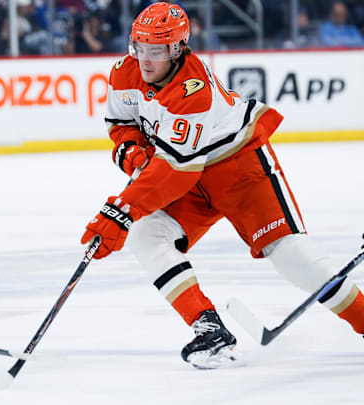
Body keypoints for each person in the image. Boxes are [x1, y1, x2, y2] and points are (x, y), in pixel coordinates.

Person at [80, 2, 364, 369]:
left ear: (178, 48)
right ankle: (208, 328)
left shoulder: (192, 90)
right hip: (187, 172)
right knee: (147, 235)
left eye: (157, 50)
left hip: (238, 167)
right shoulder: (124, 71)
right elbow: (121, 126)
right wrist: (134, 156)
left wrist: (122, 210)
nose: (146, 60)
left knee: (291, 257)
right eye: (140, 47)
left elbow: (173, 173)